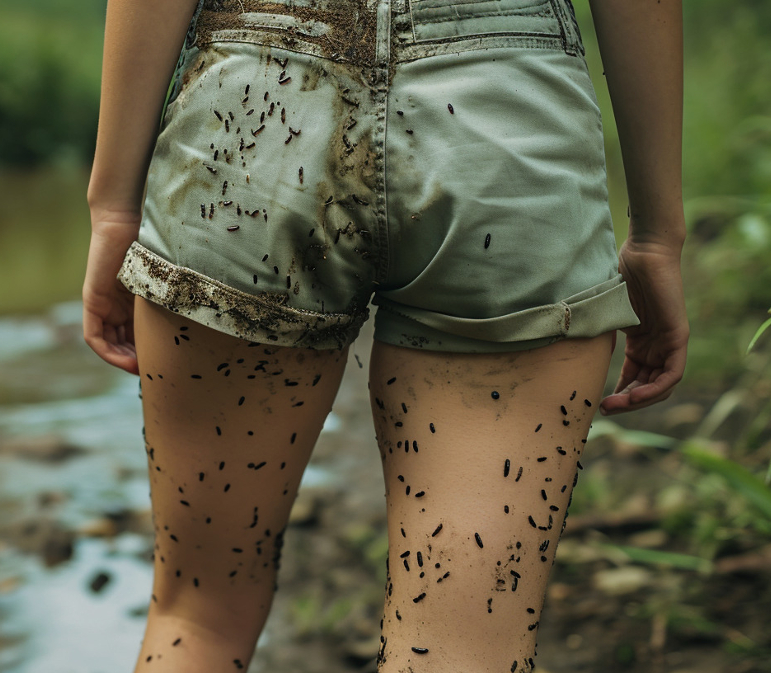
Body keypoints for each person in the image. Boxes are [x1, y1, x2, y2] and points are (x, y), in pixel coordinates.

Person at [82, 0, 688, 670]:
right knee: (465, 647)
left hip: (252, 112)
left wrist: (113, 202)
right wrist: (658, 233)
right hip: (505, 122)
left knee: (195, 615)